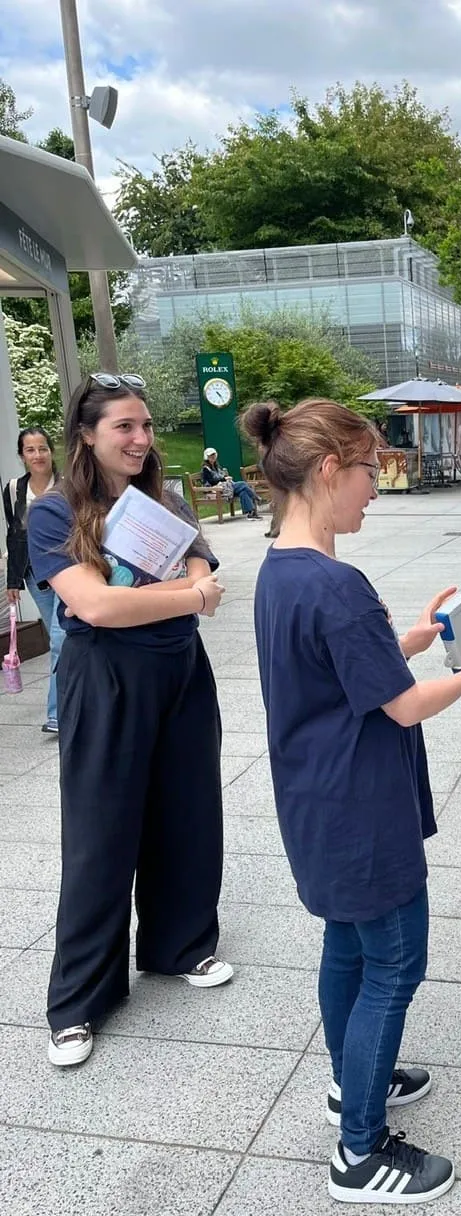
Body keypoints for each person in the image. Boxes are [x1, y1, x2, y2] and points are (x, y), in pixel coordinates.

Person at [248, 396, 461, 1205]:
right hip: (362, 811)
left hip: (317, 805)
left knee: (348, 948)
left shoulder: (281, 572)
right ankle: (359, 1151)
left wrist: (417, 636)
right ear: (329, 470)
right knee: (394, 960)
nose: (374, 489)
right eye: (368, 470)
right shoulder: (338, 584)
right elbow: (403, 705)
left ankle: (352, 1081)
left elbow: (345, 664)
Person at [26, 373, 233, 1068]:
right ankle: (78, 1001)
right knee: (101, 833)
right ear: (87, 435)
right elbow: (97, 608)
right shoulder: (55, 513)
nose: (141, 438)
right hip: (106, 680)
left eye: (145, 425)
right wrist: (188, 595)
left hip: (180, 671)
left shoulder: (166, 500)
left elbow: (206, 574)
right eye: (124, 426)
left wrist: (184, 592)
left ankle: (183, 945)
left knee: (188, 811)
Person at [3, 426, 65, 733]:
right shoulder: (14, 488)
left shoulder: (68, 484)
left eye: (43, 448)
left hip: (68, 570)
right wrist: (13, 580)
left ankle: (57, 714)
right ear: (22, 456)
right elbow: (14, 535)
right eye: (30, 450)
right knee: (64, 638)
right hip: (34, 574)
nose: (38, 455)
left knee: (60, 638)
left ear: (51, 451)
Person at [201, 447, 261, 519]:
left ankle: (250, 513)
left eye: (214, 455)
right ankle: (256, 497)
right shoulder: (205, 469)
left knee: (243, 491)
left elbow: (221, 476)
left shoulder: (216, 466)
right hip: (217, 489)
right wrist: (224, 479)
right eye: (210, 456)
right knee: (243, 484)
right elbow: (212, 481)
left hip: (226, 487)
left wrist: (226, 477)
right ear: (207, 457)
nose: (213, 457)